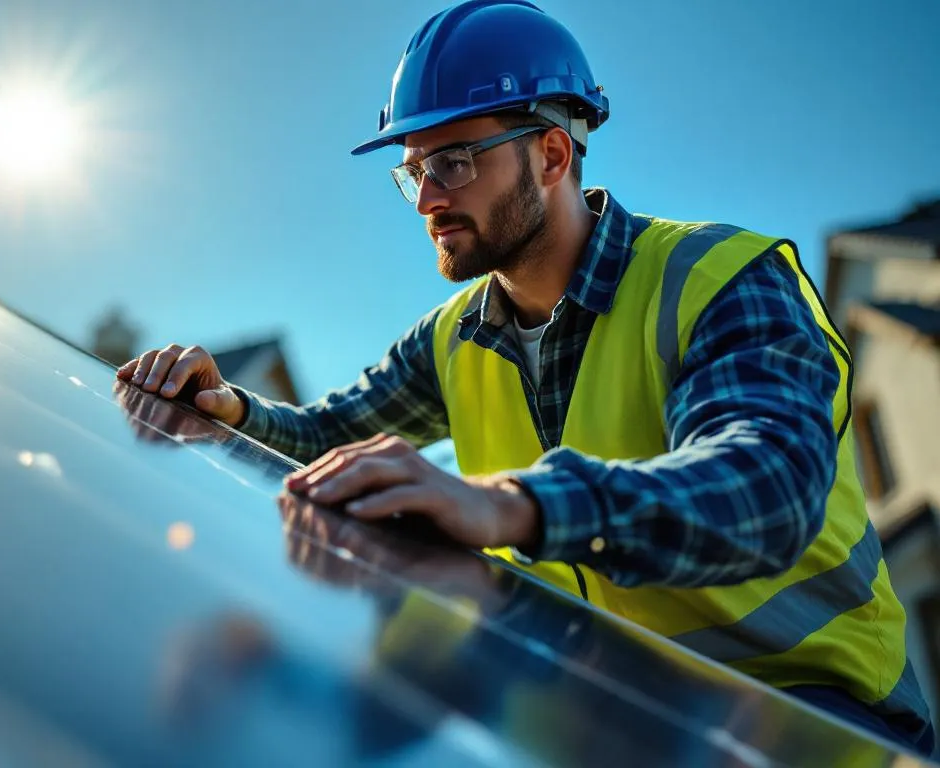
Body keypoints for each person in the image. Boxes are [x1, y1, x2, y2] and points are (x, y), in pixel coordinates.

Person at [115, 0, 934, 756]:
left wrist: (512, 505)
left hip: (818, 725)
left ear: (551, 154)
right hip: (609, 726)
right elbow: (330, 435)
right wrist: (226, 407)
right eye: (414, 170)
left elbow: (765, 487)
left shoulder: (721, 278)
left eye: (456, 161)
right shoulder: (452, 336)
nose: (427, 198)